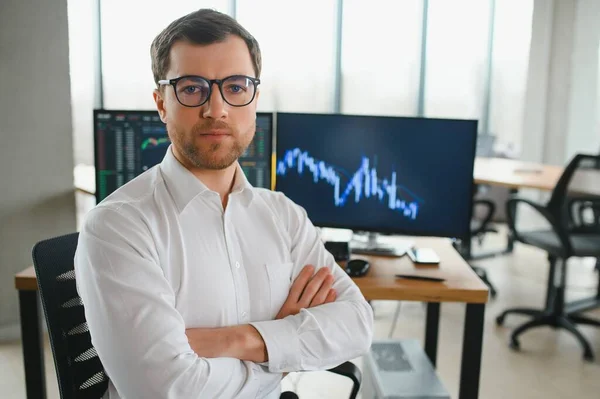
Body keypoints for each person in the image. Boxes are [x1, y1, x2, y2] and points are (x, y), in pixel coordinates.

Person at [75, 8, 373, 399]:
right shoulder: (118, 227)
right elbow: (166, 390)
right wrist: (279, 350)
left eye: (235, 87)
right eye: (192, 87)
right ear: (162, 103)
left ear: (253, 99)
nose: (216, 109)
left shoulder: (283, 216)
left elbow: (356, 325)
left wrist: (236, 340)